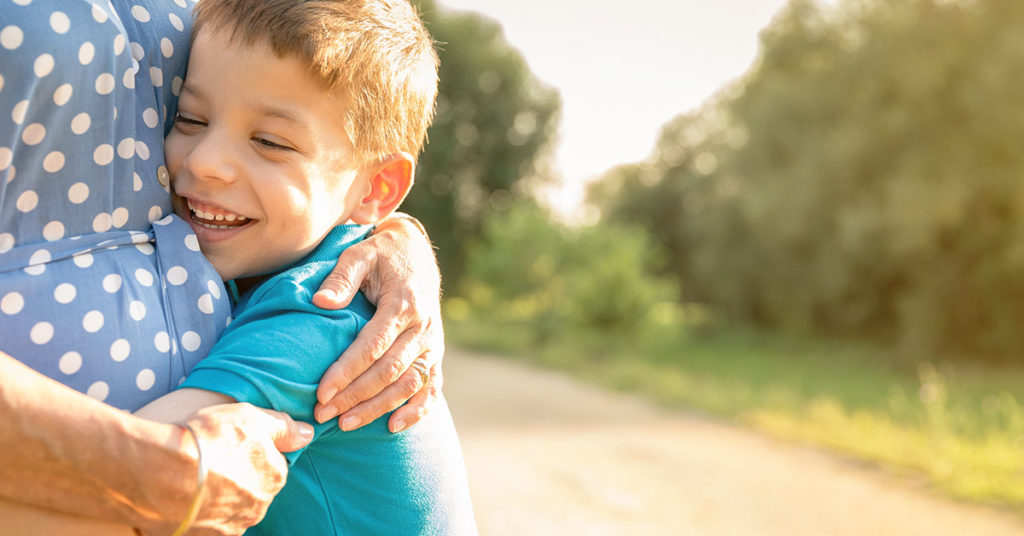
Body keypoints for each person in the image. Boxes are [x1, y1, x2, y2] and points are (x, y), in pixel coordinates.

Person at [0, 0, 445, 533]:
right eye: (189, 118)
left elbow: (119, 503)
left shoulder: (325, 308)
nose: (206, 161)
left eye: (269, 141)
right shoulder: (274, 263)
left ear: (377, 189)